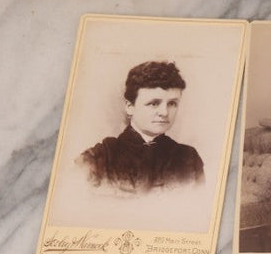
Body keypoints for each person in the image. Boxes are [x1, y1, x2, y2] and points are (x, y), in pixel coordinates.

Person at [79, 60, 205, 193]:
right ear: (130, 107)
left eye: (172, 103)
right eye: (154, 103)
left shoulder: (188, 159)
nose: (164, 112)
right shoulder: (98, 159)